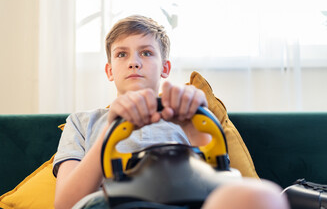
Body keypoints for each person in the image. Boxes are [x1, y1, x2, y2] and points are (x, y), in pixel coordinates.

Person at [53, 15, 289, 209]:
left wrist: (192, 123)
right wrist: (110, 130)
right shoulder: (82, 122)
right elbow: (65, 205)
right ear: (109, 70)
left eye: (146, 53)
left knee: (264, 196)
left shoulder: (187, 114)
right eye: (122, 54)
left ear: (165, 67)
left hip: (186, 202)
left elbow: (220, 184)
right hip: (114, 204)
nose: (134, 62)